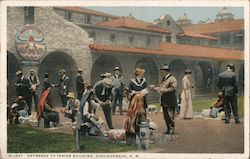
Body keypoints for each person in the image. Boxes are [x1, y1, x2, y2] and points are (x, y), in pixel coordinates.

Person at [153, 64, 177, 135]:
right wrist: (156, 88)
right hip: (164, 101)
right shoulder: (164, 79)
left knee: (170, 116)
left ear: (166, 71)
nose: (161, 73)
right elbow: (162, 88)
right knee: (166, 116)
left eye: (162, 71)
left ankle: (171, 130)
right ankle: (168, 129)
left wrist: (161, 90)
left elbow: (172, 89)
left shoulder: (172, 79)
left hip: (170, 101)